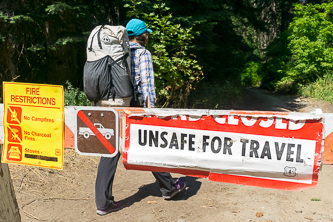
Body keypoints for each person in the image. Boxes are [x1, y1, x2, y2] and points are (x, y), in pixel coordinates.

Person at [95, 18, 186, 216]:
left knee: (110, 150)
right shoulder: (143, 53)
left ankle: (103, 203)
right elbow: (147, 85)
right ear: (142, 35)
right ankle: (169, 187)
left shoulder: (116, 52)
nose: (148, 35)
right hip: (135, 107)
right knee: (148, 145)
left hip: (113, 105)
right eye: (147, 32)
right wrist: (150, 110)